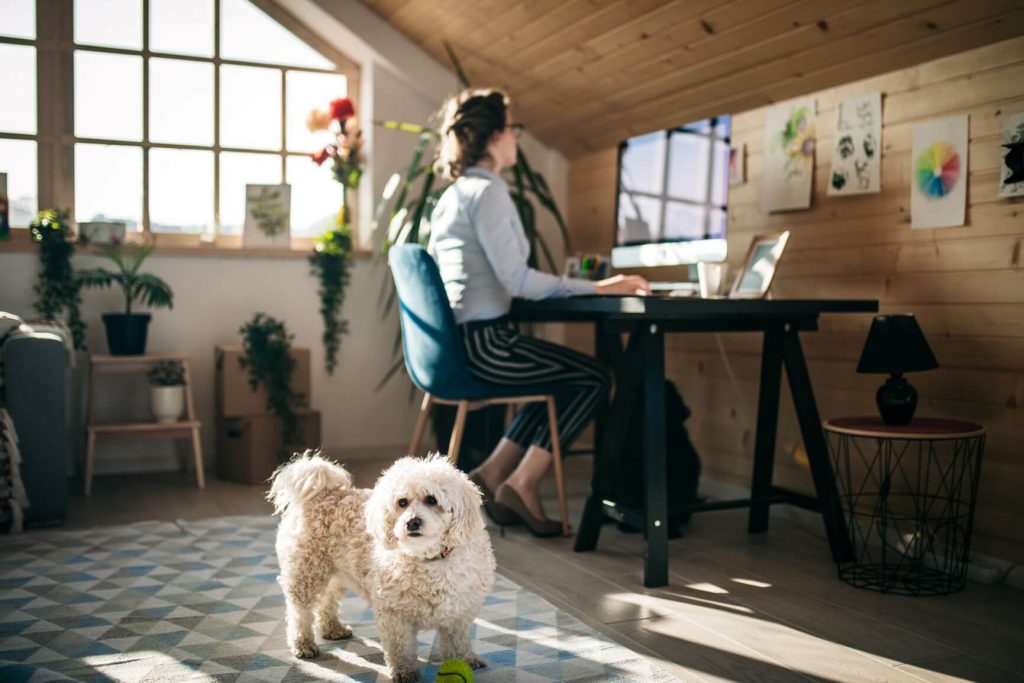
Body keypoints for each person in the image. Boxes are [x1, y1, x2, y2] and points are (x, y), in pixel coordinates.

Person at [427, 88, 650, 537]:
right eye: (513, 128)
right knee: (592, 379)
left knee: (556, 380)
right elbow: (518, 281)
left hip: (458, 346)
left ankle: (491, 473)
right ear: (493, 136)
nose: (516, 138)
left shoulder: (453, 196)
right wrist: (600, 286)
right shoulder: (487, 194)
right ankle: (524, 482)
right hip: (486, 346)